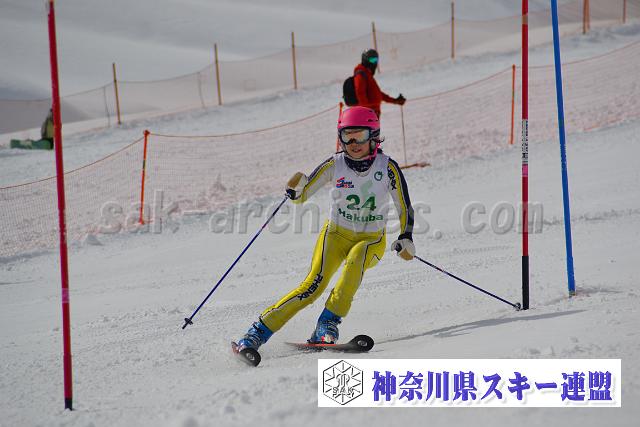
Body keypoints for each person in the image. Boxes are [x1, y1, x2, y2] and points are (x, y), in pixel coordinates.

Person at [235, 106, 415, 351]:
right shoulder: (334, 164)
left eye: (360, 135)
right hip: (336, 235)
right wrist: (294, 191)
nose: (353, 143)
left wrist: (406, 236)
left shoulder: (387, 167)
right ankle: (257, 333)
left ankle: (327, 323)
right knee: (312, 286)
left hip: (371, 240)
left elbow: (404, 206)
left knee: (356, 260)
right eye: (347, 136)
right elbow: (302, 196)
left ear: (374, 136)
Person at [354, 49, 405, 117]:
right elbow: (360, 93)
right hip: (368, 115)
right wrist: (367, 112)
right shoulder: (361, 74)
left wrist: (395, 100)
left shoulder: (367, 74)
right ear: (365, 60)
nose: (375, 63)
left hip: (373, 113)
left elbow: (377, 94)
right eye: (372, 60)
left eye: (376, 60)